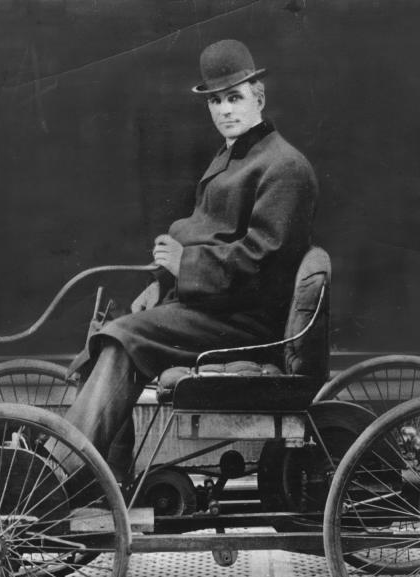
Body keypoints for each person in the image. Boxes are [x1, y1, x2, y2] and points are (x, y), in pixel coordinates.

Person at [64, 39, 318, 480]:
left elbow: (261, 262)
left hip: (248, 322)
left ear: (259, 95)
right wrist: (163, 282)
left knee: (124, 336)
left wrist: (186, 267)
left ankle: (62, 470)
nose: (224, 110)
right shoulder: (232, 156)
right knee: (116, 327)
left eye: (234, 97)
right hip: (215, 306)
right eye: (216, 101)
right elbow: (207, 231)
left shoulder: (283, 168)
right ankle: (98, 477)